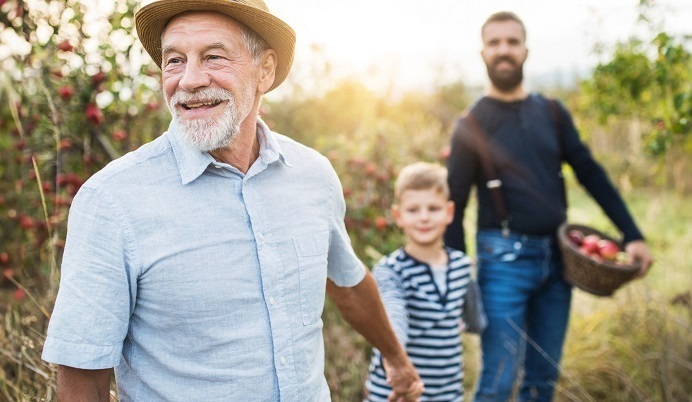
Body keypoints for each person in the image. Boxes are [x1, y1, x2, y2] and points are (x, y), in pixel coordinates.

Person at [41, 1, 424, 401]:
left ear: (265, 70)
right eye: (174, 60)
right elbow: (82, 373)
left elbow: (347, 282)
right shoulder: (112, 201)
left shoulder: (313, 175)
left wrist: (396, 358)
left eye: (213, 56)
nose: (188, 80)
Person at [443, 11, 654, 402]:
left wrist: (633, 235)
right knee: (499, 382)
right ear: (482, 52)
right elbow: (454, 204)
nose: (503, 50)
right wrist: (457, 283)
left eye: (512, 41)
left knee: (543, 381)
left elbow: (591, 174)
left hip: (560, 262)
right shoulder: (470, 125)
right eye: (495, 43)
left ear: (525, 50)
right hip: (502, 264)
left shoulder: (553, 113)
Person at [365, 162, 472, 401]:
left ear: (449, 212)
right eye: (413, 210)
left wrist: (471, 324)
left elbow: (472, 316)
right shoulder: (390, 270)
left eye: (433, 208)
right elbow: (394, 316)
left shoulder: (462, 265)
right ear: (398, 216)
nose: (424, 217)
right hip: (399, 392)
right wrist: (395, 363)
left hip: (448, 392)